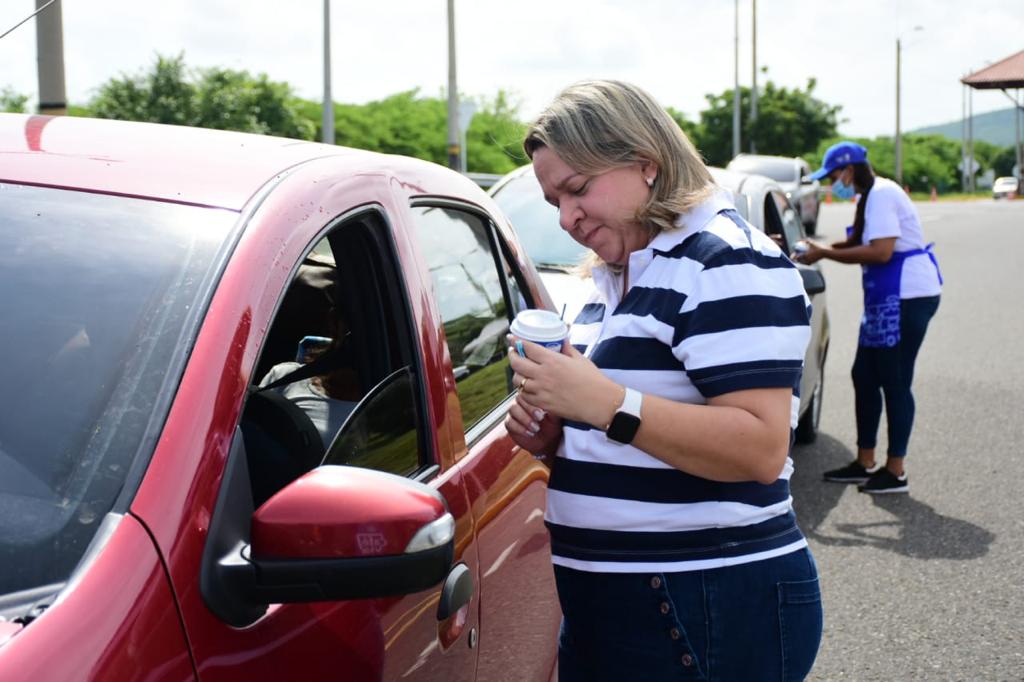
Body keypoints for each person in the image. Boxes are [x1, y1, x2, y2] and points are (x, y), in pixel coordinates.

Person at [505, 80, 822, 681]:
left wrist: (603, 403)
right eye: (554, 202)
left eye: (578, 188)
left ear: (646, 162)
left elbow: (760, 448)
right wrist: (555, 435)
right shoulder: (614, 277)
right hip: (620, 604)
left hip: (703, 599)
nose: (567, 218)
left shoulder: (724, 259)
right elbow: (627, 432)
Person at [795, 141, 942, 494]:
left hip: (906, 296)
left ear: (849, 170)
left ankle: (896, 471)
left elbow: (881, 251)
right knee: (864, 374)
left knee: (895, 379)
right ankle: (865, 462)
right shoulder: (868, 197)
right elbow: (858, 242)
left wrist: (824, 254)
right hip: (885, 298)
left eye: (834, 177)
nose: (833, 185)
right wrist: (812, 248)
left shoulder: (883, 194)